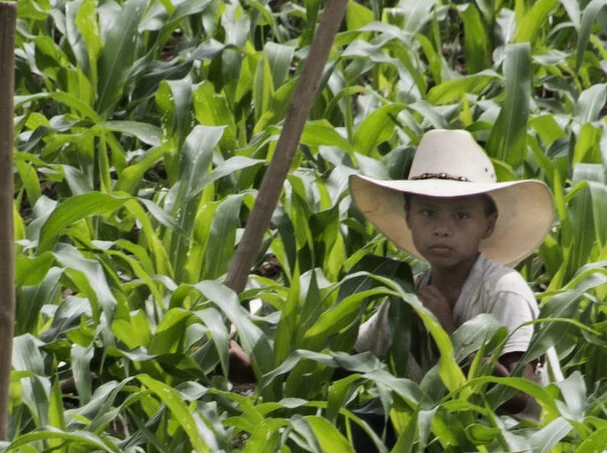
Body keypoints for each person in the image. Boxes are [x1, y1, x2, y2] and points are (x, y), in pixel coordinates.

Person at [229, 129, 555, 417]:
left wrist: (448, 333)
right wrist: (257, 371)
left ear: (488, 223)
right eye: (427, 212)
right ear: (408, 218)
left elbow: (516, 396)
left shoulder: (502, 290)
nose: (442, 229)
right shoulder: (407, 294)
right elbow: (344, 363)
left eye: (461, 215)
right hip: (442, 438)